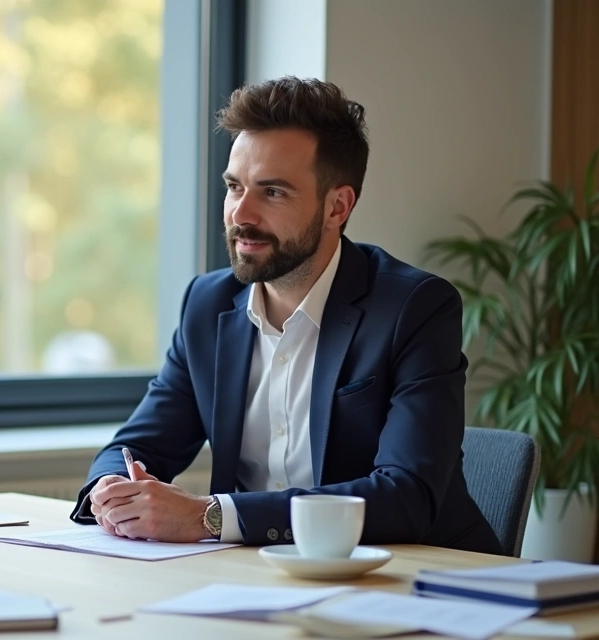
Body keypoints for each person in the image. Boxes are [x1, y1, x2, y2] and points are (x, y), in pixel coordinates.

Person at [70, 77, 502, 555]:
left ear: (337, 206)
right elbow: (136, 446)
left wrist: (209, 516)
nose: (242, 214)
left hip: (420, 578)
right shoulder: (206, 304)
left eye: (272, 192)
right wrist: (112, 491)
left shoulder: (413, 307)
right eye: (235, 187)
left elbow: (406, 497)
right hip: (259, 578)